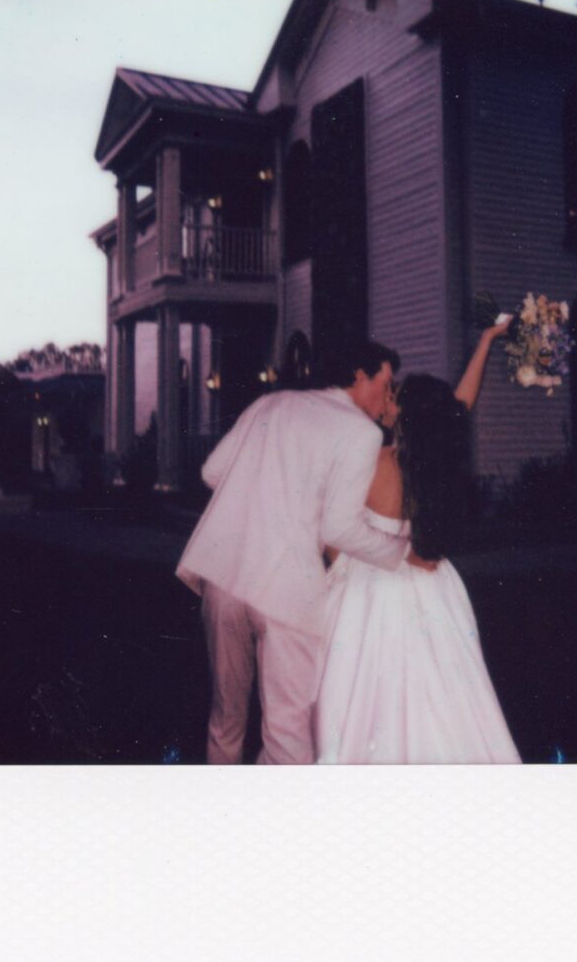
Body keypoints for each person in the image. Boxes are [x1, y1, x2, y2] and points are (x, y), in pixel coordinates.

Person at [176, 339, 432, 765]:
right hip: (285, 589)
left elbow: (211, 471)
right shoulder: (362, 432)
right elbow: (339, 526)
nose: (389, 395)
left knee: (225, 718)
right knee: (288, 733)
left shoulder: (271, 404)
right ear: (359, 376)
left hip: (224, 576)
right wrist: (399, 551)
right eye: (386, 383)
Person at [315, 321, 521, 764]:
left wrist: (332, 569)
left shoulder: (373, 460)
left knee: (366, 701)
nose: (388, 399)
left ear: (405, 415)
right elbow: (459, 406)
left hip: (371, 589)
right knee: (445, 698)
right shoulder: (436, 457)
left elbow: (334, 526)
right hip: (433, 588)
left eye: (394, 396)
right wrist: (484, 341)